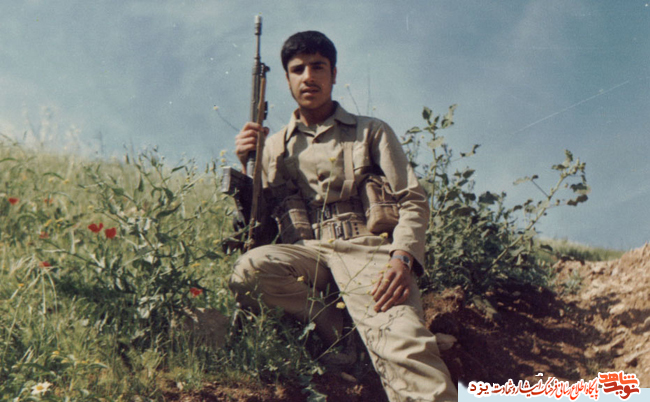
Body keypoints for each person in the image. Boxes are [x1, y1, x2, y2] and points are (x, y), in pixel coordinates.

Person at [229, 30, 457, 402]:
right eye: (298, 69)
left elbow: (413, 200)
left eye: (318, 66)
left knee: (405, 349)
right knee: (249, 270)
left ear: (334, 74)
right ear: (287, 79)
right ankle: (340, 333)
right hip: (307, 256)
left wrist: (403, 258)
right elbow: (258, 226)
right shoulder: (272, 148)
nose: (308, 77)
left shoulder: (371, 131)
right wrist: (247, 164)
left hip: (368, 253)